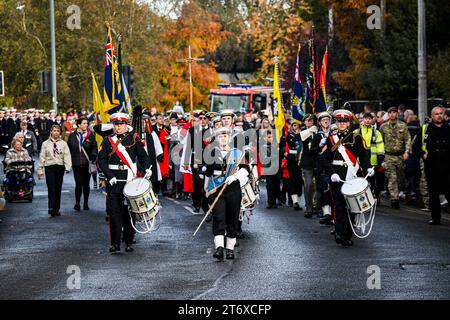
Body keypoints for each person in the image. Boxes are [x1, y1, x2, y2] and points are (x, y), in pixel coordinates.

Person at [98, 113, 151, 254]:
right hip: (114, 182)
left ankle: (128, 241)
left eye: (121, 124)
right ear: (113, 126)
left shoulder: (134, 139)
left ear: (126, 124)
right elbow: (101, 160)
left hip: (130, 182)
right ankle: (115, 243)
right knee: (114, 214)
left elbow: (144, 158)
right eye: (116, 124)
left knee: (129, 213)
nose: (119, 127)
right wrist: (109, 176)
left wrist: (147, 170)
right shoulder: (107, 140)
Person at [321, 110, 372, 247]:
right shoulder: (331, 139)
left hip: (353, 176)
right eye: (339, 122)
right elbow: (324, 159)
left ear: (349, 123)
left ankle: (348, 234)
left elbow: (364, 156)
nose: (341, 124)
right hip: (337, 176)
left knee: (352, 206)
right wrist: (331, 173)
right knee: (338, 205)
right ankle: (339, 232)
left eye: (344, 122)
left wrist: (368, 168)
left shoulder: (356, 138)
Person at [204, 127, 247, 260]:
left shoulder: (237, 153)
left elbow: (246, 170)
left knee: (231, 218)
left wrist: (235, 176)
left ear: (229, 138)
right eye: (220, 137)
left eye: (225, 136)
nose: (223, 139)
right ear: (217, 139)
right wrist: (206, 188)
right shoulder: (211, 153)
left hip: (233, 189)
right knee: (219, 217)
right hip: (217, 188)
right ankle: (219, 248)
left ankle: (230, 249)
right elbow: (208, 173)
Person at [414, 106, 450, 225]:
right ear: (432, 116)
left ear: (444, 115)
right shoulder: (425, 129)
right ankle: (436, 218)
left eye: (441, 113)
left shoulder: (448, 128)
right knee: (433, 194)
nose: (439, 115)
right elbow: (415, 146)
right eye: (436, 114)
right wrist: (423, 155)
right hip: (432, 166)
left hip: (447, 166)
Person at [379, 106, 411, 209]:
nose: (392, 114)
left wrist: (407, 152)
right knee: (392, 178)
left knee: (399, 177)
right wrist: (381, 154)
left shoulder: (403, 126)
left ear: (397, 114)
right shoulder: (383, 127)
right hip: (388, 155)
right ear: (388, 114)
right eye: (390, 112)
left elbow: (407, 139)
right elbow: (380, 141)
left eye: (394, 112)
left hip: (400, 156)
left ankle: (399, 194)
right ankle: (394, 199)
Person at [37, 125, 72, 217]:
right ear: (51, 132)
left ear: (60, 132)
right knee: (51, 188)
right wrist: (40, 169)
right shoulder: (45, 144)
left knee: (58, 188)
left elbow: (67, 155)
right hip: (49, 167)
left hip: (59, 167)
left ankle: (57, 208)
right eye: (54, 131)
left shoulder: (63, 143)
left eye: (58, 131)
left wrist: (68, 167)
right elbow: (42, 157)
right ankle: (51, 208)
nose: (56, 132)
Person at [67, 117, 98, 211]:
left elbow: (94, 147)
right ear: (79, 125)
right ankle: (77, 203)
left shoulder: (90, 135)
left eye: (87, 123)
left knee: (86, 184)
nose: (86, 125)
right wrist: (68, 163)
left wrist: (93, 155)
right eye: (84, 123)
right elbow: (68, 150)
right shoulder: (72, 136)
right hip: (76, 164)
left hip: (87, 163)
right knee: (78, 183)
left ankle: (85, 203)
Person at [354, 112, 385, 199]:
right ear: (362, 120)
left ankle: (375, 197)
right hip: (359, 161)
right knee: (360, 180)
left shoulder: (376, 132)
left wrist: (380, 158)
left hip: (372, 160)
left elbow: (380, 145)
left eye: (369, 118)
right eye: (365, 118)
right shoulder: (357, 132)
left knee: (373, 181)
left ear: (372, 120)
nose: (367, 120)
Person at [311, 112, 334, 225]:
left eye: (327, 120)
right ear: (319, 123)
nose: (326, 121)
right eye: (323, 120)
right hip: (321, 165)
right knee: (323, 189)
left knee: (333, 189)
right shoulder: (317, 136)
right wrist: (319, 145)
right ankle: (326, 213)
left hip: (332, 165)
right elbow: (312, 151)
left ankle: (334, 215)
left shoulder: (333, 134)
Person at [300, 114, 318, 217]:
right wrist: (310, 130)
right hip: (307, 163)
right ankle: (309, 208)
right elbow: (300, 137)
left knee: (318, 186)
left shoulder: (317, 131)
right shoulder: (304, 131)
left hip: (317, 161)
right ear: (305, 122)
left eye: (311, 121)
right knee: (308, 185)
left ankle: (316, 206)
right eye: (308, 121)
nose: (310, 122)